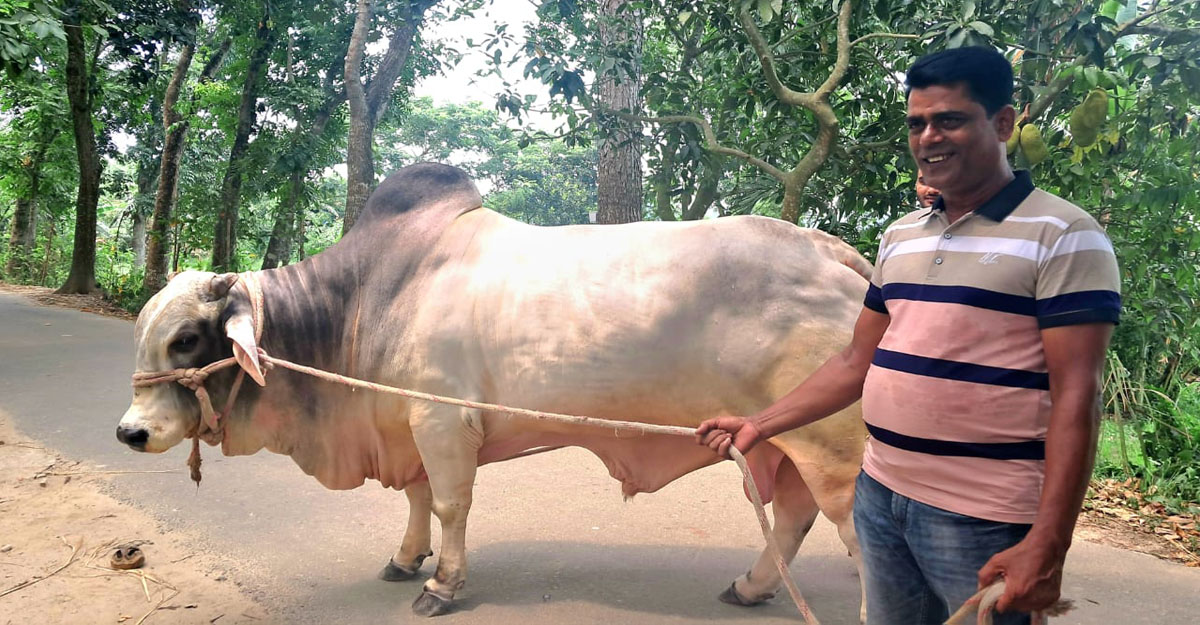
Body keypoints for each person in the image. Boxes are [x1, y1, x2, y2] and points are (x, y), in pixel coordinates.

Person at [696, 46, 1120, 625]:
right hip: (880, 495)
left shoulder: (1065, 235)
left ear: (1003, 123)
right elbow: (856, 360)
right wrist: (760, 424)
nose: (929, 138)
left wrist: (1049, 542)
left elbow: (1078, 397)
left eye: (950, 120)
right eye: (917, 123)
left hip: (984, 515)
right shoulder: (901, 236)